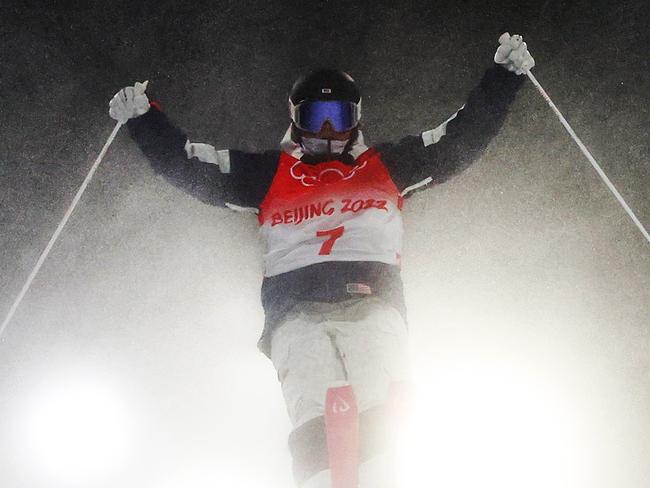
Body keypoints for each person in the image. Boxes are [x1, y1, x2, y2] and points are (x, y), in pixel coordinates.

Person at [109, 32, 534, 488]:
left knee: (381, 398)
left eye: (339, 118)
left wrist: (503, 78)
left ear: (355, 120)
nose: (328, 131)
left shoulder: (384, 165)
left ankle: (385, 472)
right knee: (312, 406)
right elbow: (192, 166)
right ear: (297, 119)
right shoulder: (269, 174)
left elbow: (458, 139)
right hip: (296, 312)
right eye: (317, 118)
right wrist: (144, 120)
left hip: (371, 303)